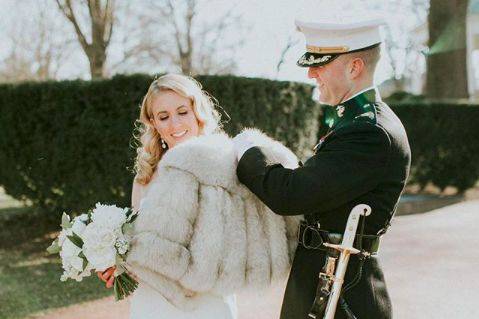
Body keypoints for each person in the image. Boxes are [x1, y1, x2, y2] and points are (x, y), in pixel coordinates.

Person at [233, 16, 411, 319]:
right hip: (326, 283)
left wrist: (246, 150)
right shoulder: (356, 123)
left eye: (321, 64)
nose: (313, 73)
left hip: (342, 296)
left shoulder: (369, 132)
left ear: (354, 67)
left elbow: (291, 194)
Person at [98, 74, 301, 319]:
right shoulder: (146, 175)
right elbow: (143, 241)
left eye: (182, 112)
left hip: (206, 304)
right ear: (154, 123)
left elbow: (235, 243)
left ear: (197, 112)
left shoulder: (227, 164)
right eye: (164, 117)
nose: (175, 124)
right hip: (153, 302)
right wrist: (118, 263)